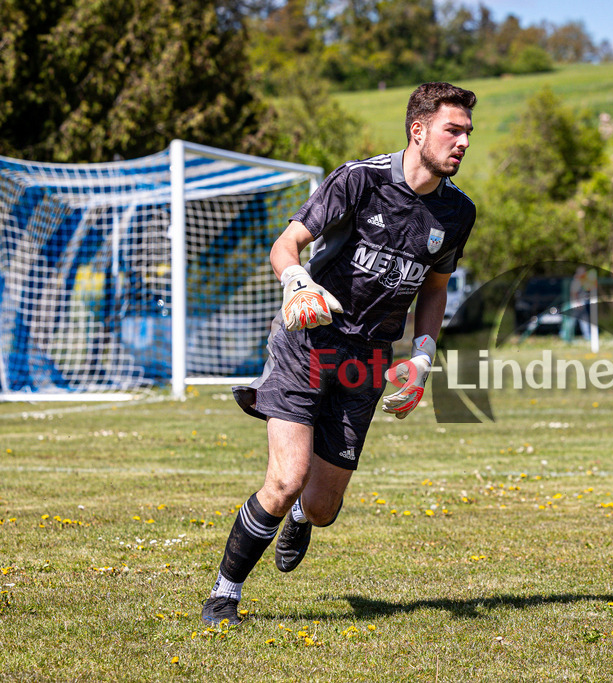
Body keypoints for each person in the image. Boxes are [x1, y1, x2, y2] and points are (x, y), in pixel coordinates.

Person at [201, 82, 477, 626]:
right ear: (418, 130)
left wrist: (422, 358)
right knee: (285, 479)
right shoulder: (359, 180)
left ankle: (304, 516)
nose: (463, 141)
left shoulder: (458, 212)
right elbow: (286, 244)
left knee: (322, 507)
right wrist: (298, 283)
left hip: (368, 358)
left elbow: (436, 288)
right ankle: (225, 594)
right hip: (306, 342)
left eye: (468, 132)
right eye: (453, 129)